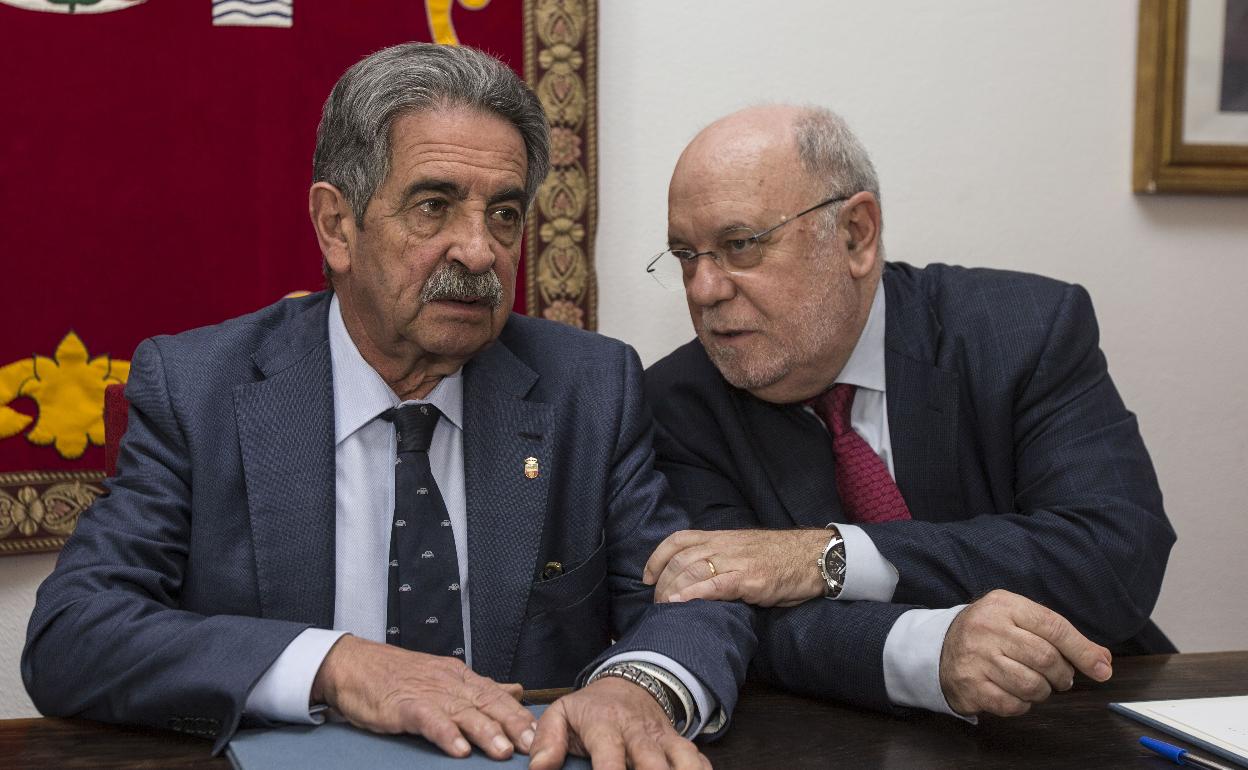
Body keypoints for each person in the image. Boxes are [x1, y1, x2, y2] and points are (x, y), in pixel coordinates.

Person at [22, 43, 754, 769]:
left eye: (504, 214)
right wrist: (335, 666)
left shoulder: (589, 387)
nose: (478, 252)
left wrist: (637, 688)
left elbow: (697, 590)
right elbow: (75, 632)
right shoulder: (199, 389)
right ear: (336, 226)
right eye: (434, 207)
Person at [641, 104, 1175, 720]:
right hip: (842, 733)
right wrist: (929, 652)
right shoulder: (679, 401)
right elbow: (724, 615)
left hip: (1087, 707)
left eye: (740, 245)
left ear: (855, 234)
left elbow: (1114, 554)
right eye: (686, 255)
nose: (703, 289)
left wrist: (827, 557)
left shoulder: (1022, 332)